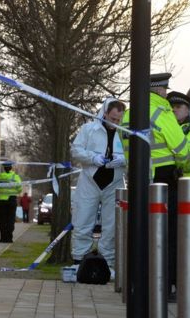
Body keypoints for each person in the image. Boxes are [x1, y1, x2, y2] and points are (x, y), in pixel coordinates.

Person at [120, 73, 190, 301]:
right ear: (158, 90)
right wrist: (189, 164)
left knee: (143, 233)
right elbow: (182, 150)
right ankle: (167, 287)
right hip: (165, 182)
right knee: (169, 237)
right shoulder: (162, 112)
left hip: (139, 181)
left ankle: (140, 284)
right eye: (164, 89)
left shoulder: (128, 114)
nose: (166, 93)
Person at [71, 98, 126, 276]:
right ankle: (79, 261)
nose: (115, 123)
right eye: (112, 118)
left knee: (112, 226)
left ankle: (107, 264)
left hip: (115, 183)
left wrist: (123, 160)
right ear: (104, 114)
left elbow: (136, 154)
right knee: (82, 221)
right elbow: (76, 150)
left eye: (118, 119)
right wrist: (92, 158)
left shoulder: (124, 132)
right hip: (90, 181)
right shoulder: (89, 130)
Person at [167, 91, 190, 176]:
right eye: (171, 107)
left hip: (187, 183)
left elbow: (189, 156)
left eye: (178, 107)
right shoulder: (165, 128)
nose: (173, 109)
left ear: (187, 111)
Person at [0, 162, 22, 243]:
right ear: (11, 168)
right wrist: (14, 191)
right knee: (10, 219)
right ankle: (9, 238)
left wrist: (1, 192)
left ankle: (2, 238)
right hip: (11, 199)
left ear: (4, 168)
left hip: (2, 200)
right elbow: (19, 188)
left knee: (2, 220)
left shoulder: (0, 176)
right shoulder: (15, 176)